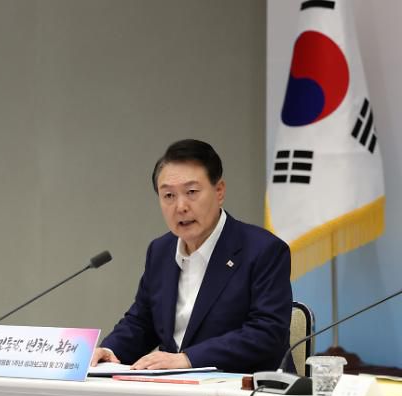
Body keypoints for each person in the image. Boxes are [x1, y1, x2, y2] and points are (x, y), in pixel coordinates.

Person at [91, 139, 293, 373]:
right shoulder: (160, 251)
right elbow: (142, 322)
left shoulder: (263, 250)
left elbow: (266, 332)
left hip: (246, 387)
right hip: (176, 388)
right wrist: (110, 350)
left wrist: (188, 359)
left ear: (219, 191)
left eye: (192, 192)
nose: (181, 206)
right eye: (169, 196)